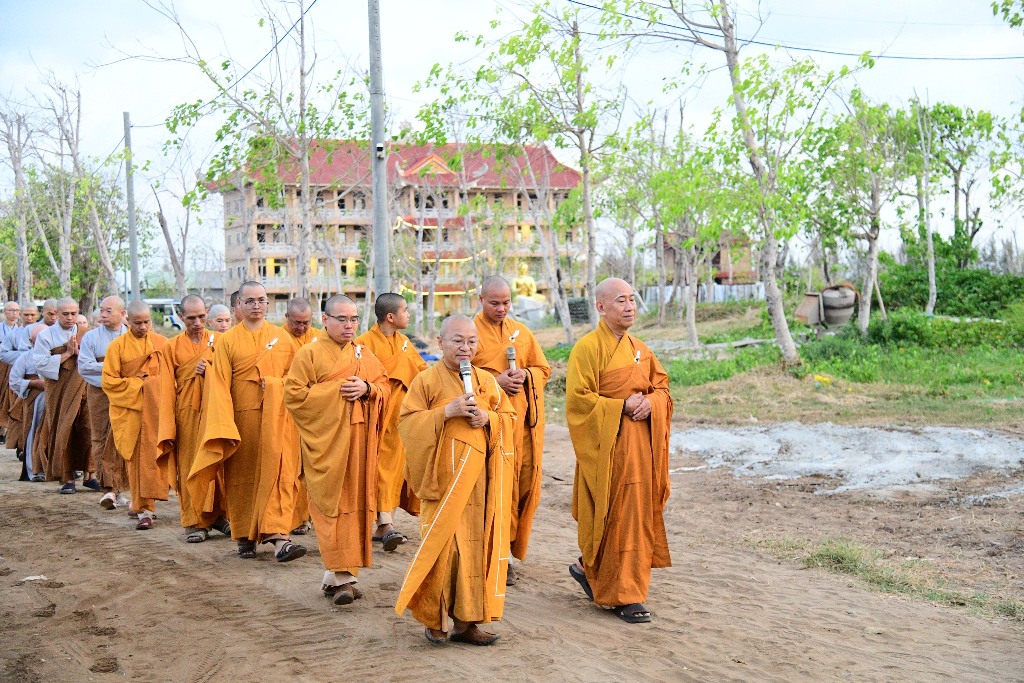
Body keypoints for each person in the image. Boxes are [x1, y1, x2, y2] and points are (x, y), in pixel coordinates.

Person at [395, 315, 516, 646]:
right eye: (458, 340)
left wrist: (488, 418)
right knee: (442, 548)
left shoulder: (487, 381)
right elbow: (407, 424)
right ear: (440, 342)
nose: (465, 347)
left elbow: (508, 417)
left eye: (471, 341)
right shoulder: (426, 381)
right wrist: (446, 412)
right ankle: (434, 619)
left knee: (475, 549)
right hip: (444, 483)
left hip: (480, 481)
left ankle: (467, 622)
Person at [565, 278, 673, 624]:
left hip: (640, 449)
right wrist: (620, 406)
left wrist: (652, 403)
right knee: (609, 515)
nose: (629, 307)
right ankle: (603, 577)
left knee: (634, 518)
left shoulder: (641, 348)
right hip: (606, 450)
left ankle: (627, 591)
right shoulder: (586, 349)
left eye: (632, 300)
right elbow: (578, 402)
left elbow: (663, 389)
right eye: (621, 301)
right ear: (601, 307)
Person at [284, 295, 389, 605]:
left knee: (354, 508)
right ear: (325, 320)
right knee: (331, 509)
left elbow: (384, 386)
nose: (349, 325)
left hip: (358, 446)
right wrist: (339, 391)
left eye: (354, 319)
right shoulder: (309, 353)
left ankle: (338, 576)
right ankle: (341, 576)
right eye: (342, 319)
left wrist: (367, 389)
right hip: (326, 446)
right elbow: (294, 396)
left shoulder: (363, 353)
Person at [192, 281, 305, 561]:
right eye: (251, 301)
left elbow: (297, 379)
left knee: (279, 475)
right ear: (239, 305)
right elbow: (219, 385)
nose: (257, 306)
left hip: (278, 420)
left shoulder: (283, 338)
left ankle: (279, 537)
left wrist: (275, 384)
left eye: (262, 300)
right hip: (241, 420)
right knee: (242, 479)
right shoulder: (228, 341)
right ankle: (244, 535)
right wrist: (223, 424)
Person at [472, 276, 550, 582]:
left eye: (506, 302)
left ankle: (504, 551)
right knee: (492, 489)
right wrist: (495, 382)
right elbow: (456, 376)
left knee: (520, 487)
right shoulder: (469, 333)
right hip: (487, 428)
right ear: (481, 299)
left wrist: (526, 376)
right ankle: (492, 556)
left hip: (521, 429)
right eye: (494, 303)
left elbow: (543, 369)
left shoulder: (522, 332)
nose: (501, 308)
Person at [355, 293, 426, 550]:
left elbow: (421, 373)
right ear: (391, 317)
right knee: (380, 469)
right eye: (405, 310)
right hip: (376, 416)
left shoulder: (404, 342)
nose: (409, 314)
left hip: (401, 419)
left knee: (395, 469)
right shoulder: (363, 344)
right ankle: (385, 524)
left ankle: (385, 523)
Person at [157, 295, 230, 542]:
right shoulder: (171, 347)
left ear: (207, 313)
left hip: (215, 411)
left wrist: (211, 370)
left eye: (201, 317)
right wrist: (168, 424)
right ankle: (194, 522)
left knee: (217, 462)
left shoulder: (221, 340)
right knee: (190, 466)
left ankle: (218, 515)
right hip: (186, 412)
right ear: (181, 317)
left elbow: (231, 375)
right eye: (191, 318)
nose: (197, 323)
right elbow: (167, 388)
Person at [102, 301, 169, 530]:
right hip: (131, 412)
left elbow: (172, 376)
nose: (143, 327)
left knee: (154, 457)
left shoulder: (162, 343)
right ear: (127, 320)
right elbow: (109, 382)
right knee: (137, 461)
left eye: (146, 322)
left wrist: (153, 386)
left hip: (157, 411)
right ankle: (142, 507)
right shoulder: (117, 347)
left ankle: (145, 506)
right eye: (137, 323)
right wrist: (141, 386)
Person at [31, 297, 91, 493]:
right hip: (59, 390)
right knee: (63, 428)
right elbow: (40, 364)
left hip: (83, 388)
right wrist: (67, 354)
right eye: (65, 314)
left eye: (74, 313)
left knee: (87, 428)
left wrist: (80, 354)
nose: (70, 318)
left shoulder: (86, 334)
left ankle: (91, 474)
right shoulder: (46, 336)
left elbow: (94, 360)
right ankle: (67, 478)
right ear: (57, 314)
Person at [78, 296, 130, 505]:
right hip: (99, 392)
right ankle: (108, 487)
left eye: (109, 311)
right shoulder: (91, 338)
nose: (103, 315)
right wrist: (113, 369)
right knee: (100, 437)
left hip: (127, 393)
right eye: (102, 310)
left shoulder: (131, 337)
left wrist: (119, 376)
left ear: (123, 314)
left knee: (125, 437)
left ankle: (124, 487)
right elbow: (84, 367)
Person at [282, 296, 317, 535]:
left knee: (312, 464)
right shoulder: (276, 339)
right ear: (287, 318)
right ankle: (295, 517)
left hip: (316, 412)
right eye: (296, 322)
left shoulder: (321, 339)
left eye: (306, 322)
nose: (302, 327)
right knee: (290, 465)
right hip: (286, 411)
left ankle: (310, 514)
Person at [8, 323, 46, 481]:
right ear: (31, 342)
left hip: (56, 401)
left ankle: (59, 469)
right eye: (38, 341)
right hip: (34, 402)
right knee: (34, 432)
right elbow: (14, 381)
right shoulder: (25, 358)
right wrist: (33, 383)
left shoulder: (58, 355)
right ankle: (35, 470)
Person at [0, 301, 21, 443]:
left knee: (11, 397)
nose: (14, 313)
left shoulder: (21, 330)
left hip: (15, 366)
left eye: (16, 310)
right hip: (1, 366)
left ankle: (6, 429)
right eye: (11, 310)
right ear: (4, 312)